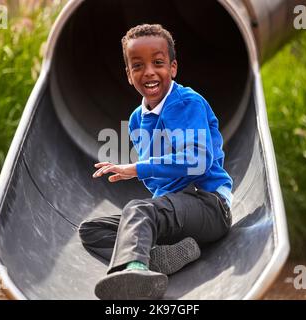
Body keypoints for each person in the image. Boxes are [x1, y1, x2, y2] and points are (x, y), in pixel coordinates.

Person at [78, 24, 233, 300]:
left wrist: (135, 169)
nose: (149, 71)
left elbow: (196, 160)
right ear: (128, 75)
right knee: (92, 230)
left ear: (172, 68)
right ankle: (159, 258)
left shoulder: (187, 102)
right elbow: (158, 181)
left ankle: (135, 271)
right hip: (175, 210)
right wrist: (150, 180)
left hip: (208, 204)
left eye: (158, 63)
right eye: (138, 65)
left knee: (138, 210)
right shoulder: (138, 119)